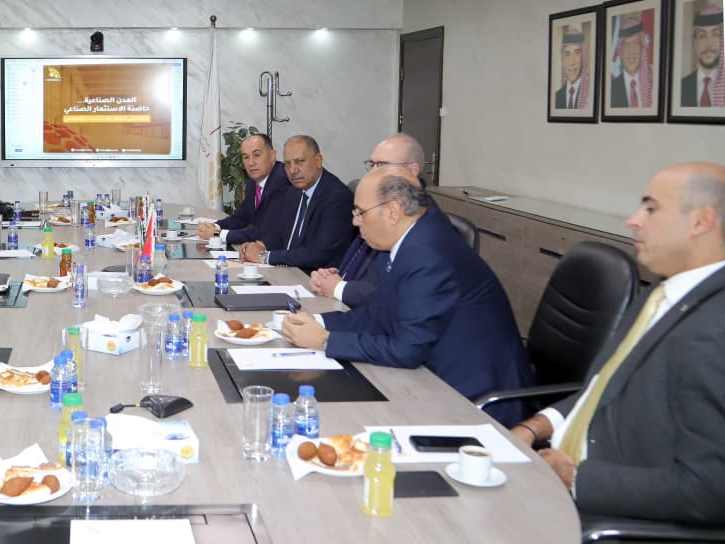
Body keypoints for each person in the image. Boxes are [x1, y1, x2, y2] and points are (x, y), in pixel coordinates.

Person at [510, 162, 725, 526]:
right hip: (554, 472)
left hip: (604, 514)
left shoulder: (715, 328)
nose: (633, 221)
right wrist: (535, 426)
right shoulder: (662, 292)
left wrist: (576, 479)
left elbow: (711, 489)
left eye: (651, 209)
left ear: (700, 222)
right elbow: (606, 388)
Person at [282, 167, 531, 426]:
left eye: (360, 213)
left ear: (393, 211)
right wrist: (317, 322)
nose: (355, 222)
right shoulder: (402, 240)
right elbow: (380, 311)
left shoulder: (426, 253)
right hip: (431, 375)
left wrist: (325, 340)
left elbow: (406, 349)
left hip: (474, 397)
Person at [310, 134, 432, 307]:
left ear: (412, 170)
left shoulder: (419, 219)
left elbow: (386, 294)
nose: (373, 172)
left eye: (382, 165)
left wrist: (338, 287)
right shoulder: (380, 205)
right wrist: (329, 278)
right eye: (372, 164)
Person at [238, 135, 355, 270]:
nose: (293, 170)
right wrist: (261, 245)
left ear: (318, 160)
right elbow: (278, 232)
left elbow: (318, 254)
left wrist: (265, 256)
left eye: (299, 161)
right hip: (287, 271)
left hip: (313, 277)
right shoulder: (294, 191)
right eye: (288, 164)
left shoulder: (337, 197)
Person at [196, 133, 288, 244]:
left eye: (257, 155)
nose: (251, 162)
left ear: (272, 155)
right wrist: (214, 226)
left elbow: (266, 231)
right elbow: (240, 218)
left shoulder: (282, 181)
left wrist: (218, 234)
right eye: (246, 157)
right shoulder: (253, 182)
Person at [680, 1, 723, 108]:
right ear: (694, 43)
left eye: (716, 35)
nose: (709, 44)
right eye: (702, 36)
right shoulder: (681, 87)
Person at [611, 13, 654, 108]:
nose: (632, 51)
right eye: (627, 44)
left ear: (642, 47)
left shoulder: (655, 84)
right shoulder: (610, 89)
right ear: (620, 51)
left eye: (636, 43)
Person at [555, 25, 592, 109]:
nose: (571, 62)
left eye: (577, 53)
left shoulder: (590, 94)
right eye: (567, 54)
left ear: (583, 57)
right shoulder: (556, 97)